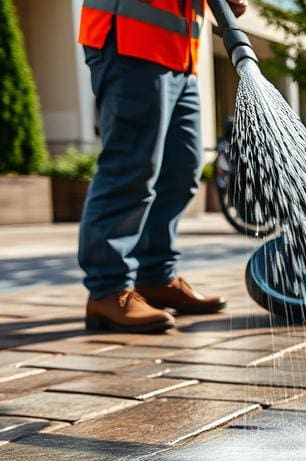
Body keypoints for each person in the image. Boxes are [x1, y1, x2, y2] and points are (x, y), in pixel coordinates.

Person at [77, 0, 247, 333]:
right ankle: (107, 290)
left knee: (182, 171)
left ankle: (154, 278)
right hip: (128, 42)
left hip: (180, 55)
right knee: (130, 168)